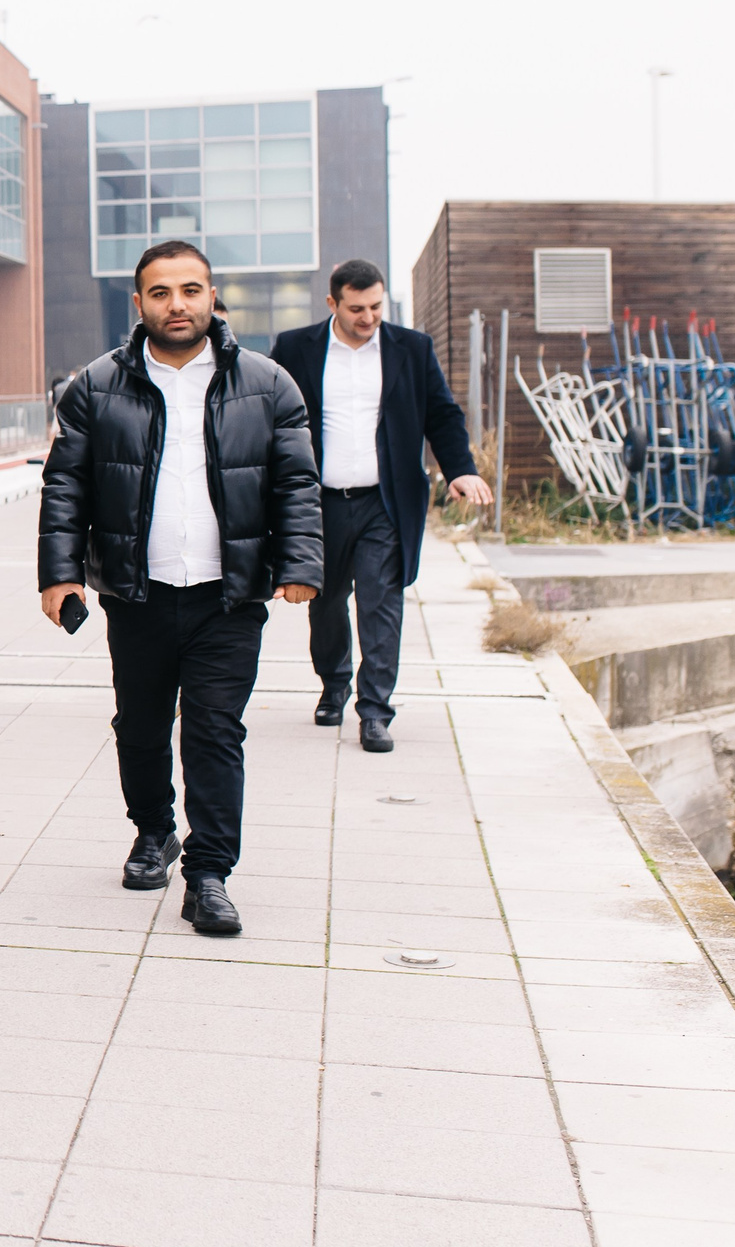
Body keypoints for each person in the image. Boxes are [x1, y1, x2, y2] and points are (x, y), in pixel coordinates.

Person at [37, 240, 321, 938]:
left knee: (215, 730)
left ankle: (210, 873)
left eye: (190, 290)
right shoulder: (96, 385)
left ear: (211, 296)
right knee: (138, 724)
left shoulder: (268, 383)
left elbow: (295, 483)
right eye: (160, 293)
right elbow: (65, 483)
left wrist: (301, 564)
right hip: (137, 590)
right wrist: (58, 572)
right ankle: (153, 831)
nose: (177, 304)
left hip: (230, 595)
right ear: (139, 304)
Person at [271, 259, 490, 752]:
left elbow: (442, 413)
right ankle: (334, 682)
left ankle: (374, 711)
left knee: (381, 605)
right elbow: (272, 418)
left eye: (376, 306)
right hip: (318, 503)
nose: (368, 317)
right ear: (333, 304)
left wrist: (461, 469)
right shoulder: (295, 348)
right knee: (325, 605)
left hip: (384, 503)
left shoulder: (411, 349)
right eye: (356, 308)